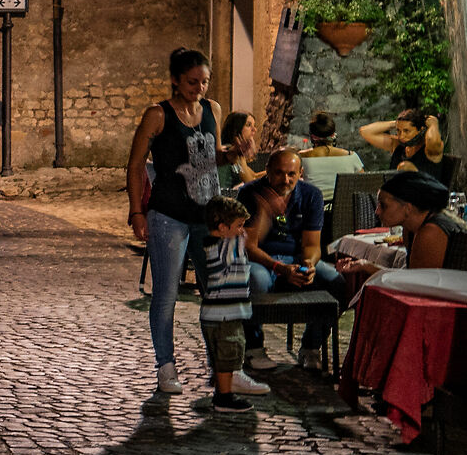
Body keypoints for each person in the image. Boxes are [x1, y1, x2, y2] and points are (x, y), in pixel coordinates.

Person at [126, 47, 222, 396]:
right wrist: (137, 211)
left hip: (207, 216)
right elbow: (136, 165)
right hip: (168, 215)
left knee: (215, 291)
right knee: (166, 295)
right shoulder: (158, 115)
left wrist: (235, 154)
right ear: (176, 81)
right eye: (192, 82)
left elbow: (214, 157)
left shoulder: (213, 110)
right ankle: (165, 366)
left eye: (205, 82)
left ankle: (220, 366)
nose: (199, 88)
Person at [238, 148, 343, 372]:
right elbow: (248, 247)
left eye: (291, 174)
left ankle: (311, 346)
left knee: (336, 282)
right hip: (261, 259)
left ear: (300, 173)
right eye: (279, 173)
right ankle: (254, 347)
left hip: (294, 258)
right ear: (267, 171)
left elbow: (313, 245)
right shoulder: (251, 193)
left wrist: (309, 265)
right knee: (255, 280)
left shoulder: (311, 195)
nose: (285, 179)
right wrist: (279, 267)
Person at [333, 169, 465, 287]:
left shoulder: (431, 232)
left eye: (383, 205)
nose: (377, 211)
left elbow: (416, 286)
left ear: (407, 208)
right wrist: (365, 265)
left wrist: (369, 268)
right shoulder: (411, 230)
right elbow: (409, 278)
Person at [198, 195, 258, 414]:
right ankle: (224, 397)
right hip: (223, 316)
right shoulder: (222, 248)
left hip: (222, 314)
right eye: (239, 226)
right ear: (223, 228)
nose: (243, 231)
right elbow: (246, 240)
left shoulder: (222, 246)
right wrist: (266, 214)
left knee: (225, 354)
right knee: (227, 354)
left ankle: (222, 392)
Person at [361, 107, 445, 174]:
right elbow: (365, 132)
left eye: (406, 131)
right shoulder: (398, 144)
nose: (401, 136)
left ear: (420, 130)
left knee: (405, 167)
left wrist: (433, 124)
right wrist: (397, 123)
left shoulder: (430, 148)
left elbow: (431, 139)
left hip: (422, 192)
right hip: (395, 193)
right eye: (398, 131)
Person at [297, 112, 365, 190]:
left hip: (314, 201)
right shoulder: (351, 157)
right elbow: (363, 184)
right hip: (343, 201)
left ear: (313, 136)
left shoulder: (300, 158)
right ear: (333, 135)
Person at [216, 111, 264, 191]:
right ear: (236, 130)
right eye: (249, 125)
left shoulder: (237, 150)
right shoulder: (231, 150)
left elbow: (254, 176)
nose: (254, 129)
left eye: (254, 125)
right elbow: (250, 182)